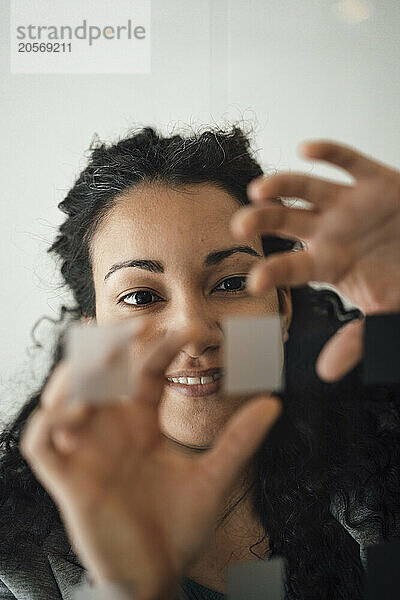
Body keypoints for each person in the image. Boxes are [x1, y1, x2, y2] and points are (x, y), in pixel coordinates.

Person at [0, 125, 399, 599]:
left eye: (231, 284)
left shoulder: (382, 467)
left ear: (283, 309)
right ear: (93, 336)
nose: (193, 332)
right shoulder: (15, 557)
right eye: (141, 295)